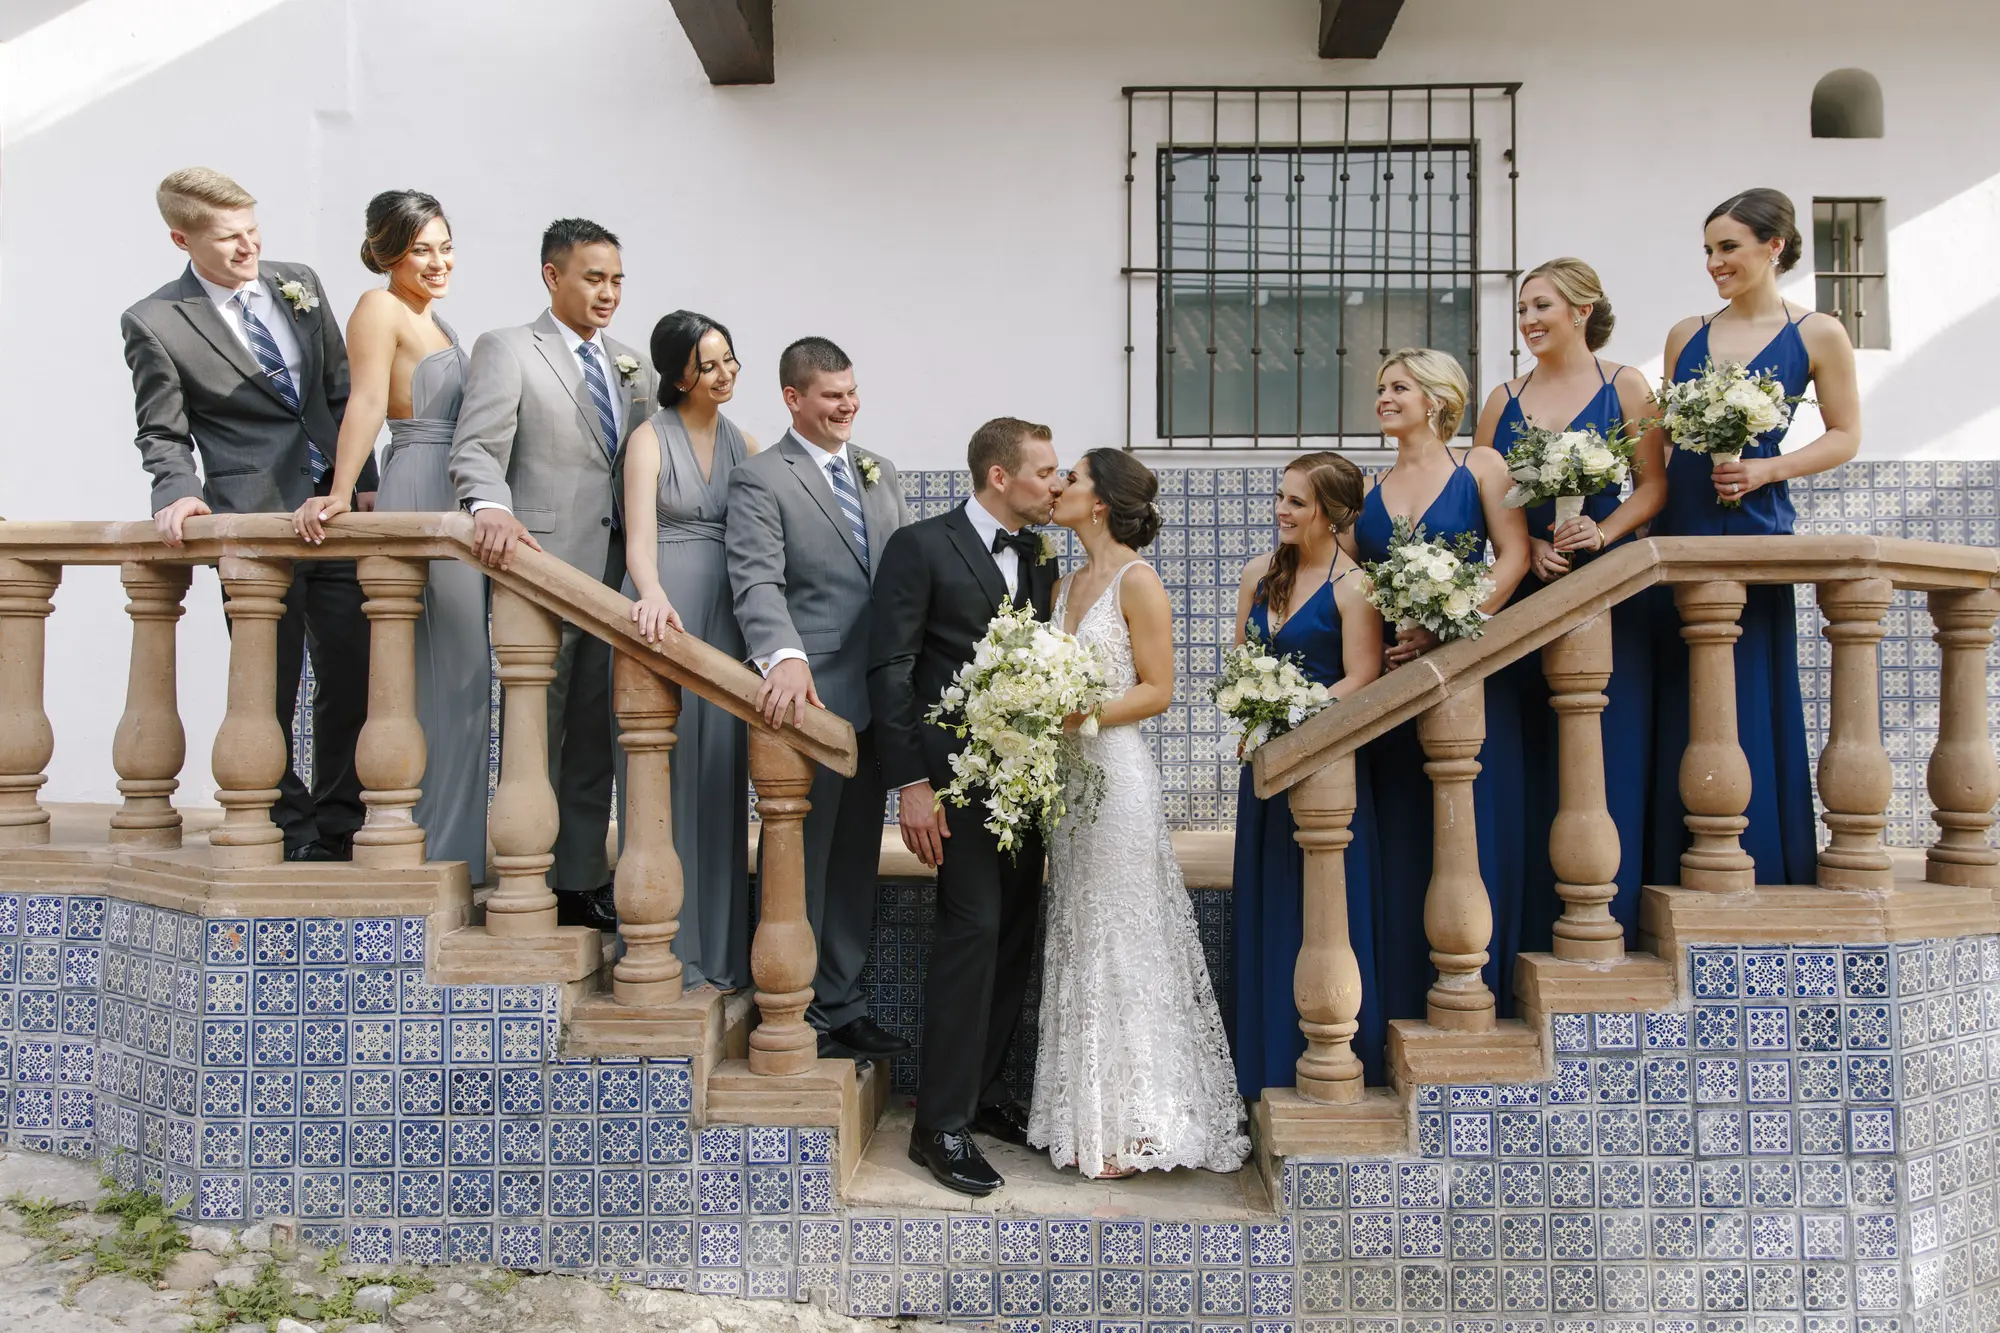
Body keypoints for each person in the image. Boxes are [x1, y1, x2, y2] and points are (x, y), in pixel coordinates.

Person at [122, 167, 378, 862]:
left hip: (333, 512)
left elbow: (340, 389)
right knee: (268, 682)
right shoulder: (155, 321)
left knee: (354, 673)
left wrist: (365, 483)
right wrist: (176, 490)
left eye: (253, 231)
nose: (248, 248)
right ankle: (289, 825)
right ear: (181, 237)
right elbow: (162, 431)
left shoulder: (299, 283)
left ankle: (339, 821)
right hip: (253, 521)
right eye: (230, 238)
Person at [1029, 449, 1247, 1179]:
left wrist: (1077, 713)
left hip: (1117, 779)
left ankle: (1144, 1118)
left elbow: (1158, 690)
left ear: (1100, 503)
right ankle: (1087, 1115)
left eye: (1072, 479)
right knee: (1081, 930)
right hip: (1069, 785)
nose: (1057, 486)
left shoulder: (1139, 582)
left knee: (1126, 935)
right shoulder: (1062, 584)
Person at [869, 418, 1065, 1196]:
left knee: (1014, 930)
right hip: (951, 783)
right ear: (997, 476)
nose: (1055, 483)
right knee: (971, 929)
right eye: (1045, 471)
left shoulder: (1044, 554)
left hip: (1026, 784)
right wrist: (912, 784)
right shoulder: (921, 546)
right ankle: (937, 1123)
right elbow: (892, 668)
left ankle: (980, 1095)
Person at [1647, 189, 1860, 886]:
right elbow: (1667, 440)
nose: (1714, 263)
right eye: (1708, 250)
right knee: (1676, 681)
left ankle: (1763, 852)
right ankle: (1669, 855)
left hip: (1755, 520)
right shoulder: (1686, 334)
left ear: (1775, 246)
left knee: (1746, 683)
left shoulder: (1819, 333)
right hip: (1682, 517)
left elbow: (1845, 435)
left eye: (1728, 247)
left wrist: (1770, 466)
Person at [449, 218, 657, 930]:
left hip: (614, 575)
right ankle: (526, 873)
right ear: (552, 275)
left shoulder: (636, 366)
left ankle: (579, 878)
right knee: (540, 721)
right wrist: (490, 507)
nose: (608, 293)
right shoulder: (508, 349)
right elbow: (476, 447)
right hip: (540, 569)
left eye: (617, 280)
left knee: (598, 727)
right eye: (594, 278)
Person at [1469, 258, 1665, 949]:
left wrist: (1601, 531)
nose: (1528, 321)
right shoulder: (1503, 399)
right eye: (1522, 310)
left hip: (1612, 594)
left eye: (1541, 306)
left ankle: (1613, 914)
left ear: (1582, 311)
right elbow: (1485, 493)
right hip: (1530, 596)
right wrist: (1525, 545)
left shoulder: (1626, 385)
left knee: (1609, 750)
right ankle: (1525, 921)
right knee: (1530, 752)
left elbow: (1652, 485)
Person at [727, 337, 912, 1063]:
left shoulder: (882, 470)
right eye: (832, 395)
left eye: (852, 392)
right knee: (804, 857)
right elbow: (756, 581)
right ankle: (795, 1001)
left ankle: (845, 1002)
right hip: (813, 697)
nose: (847, 405)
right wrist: (786, 657)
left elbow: (898, 578)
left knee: (856, 860)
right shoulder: (761, 479)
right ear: (793, 398)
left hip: (879, 697)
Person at [294, 190, 489, 877]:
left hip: (456, 492)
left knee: (467, 673)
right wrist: (342, 492)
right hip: (416, 480)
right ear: (387, 253)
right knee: (434, 663)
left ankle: (458, 843)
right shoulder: (378, 308)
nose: (438, 261)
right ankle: (429, 844)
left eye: (445, 246)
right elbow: (368, 401)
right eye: (420, 250)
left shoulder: (440, 322)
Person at [1353, 349, 1528, 1025]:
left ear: (1436, 397)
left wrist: (1451, 623)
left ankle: (1480, 978)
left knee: (1469, 824)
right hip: (1394, 682)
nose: (1385, 397)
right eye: (1381, 388)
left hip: (1468, 672)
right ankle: (1399, 989)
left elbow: (1511, 555)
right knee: (1404, 830)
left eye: (1398, 386)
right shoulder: (1371, 486)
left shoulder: (1481, 466)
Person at [1229, 452, 1385, 1091]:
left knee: (1320, 909)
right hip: (1266, 765)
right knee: (1265, 905)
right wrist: (1254, 712)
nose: (1282, 511)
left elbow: (1363, 677)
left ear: (1332, 512)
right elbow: (1241, 662)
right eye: (1280, 498)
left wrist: (1298, 710)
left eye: (1297, 502)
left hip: (1327, 767)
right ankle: (1261, 1066)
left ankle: (1325, 1050)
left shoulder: (1355, 587)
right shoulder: (1258, 574)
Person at [621, 311, 757, 992]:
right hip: (666, 606)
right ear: (679, 373)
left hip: (728, 616)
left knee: (718, 776)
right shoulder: (649, 439)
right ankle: (668, 942)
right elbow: (638, 538)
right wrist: (648, 591)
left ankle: (723, 952)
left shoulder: (746, 444)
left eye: (730, 359)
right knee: (665, 775)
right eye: (709, 364)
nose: (725, 373)